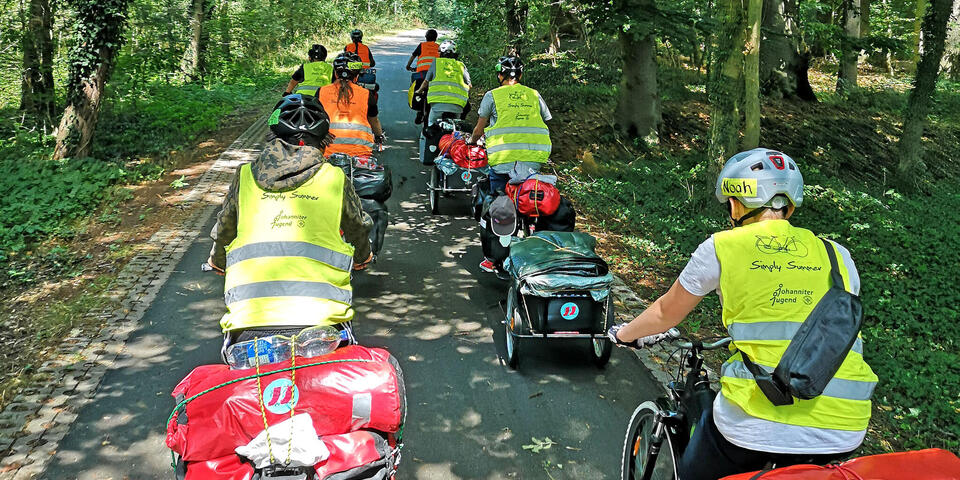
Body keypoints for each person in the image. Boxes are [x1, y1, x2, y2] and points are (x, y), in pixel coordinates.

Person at [606, 149, 878, 480]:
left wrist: (624, 334)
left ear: (736, 205)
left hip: (756, 421)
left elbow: (665, 312)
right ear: (789, 206)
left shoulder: (723, 247)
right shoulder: (838, 255)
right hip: (845, 424)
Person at [207, 94, 374, 356]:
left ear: (273, 136)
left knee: (246, 381)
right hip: (323, 325)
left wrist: (218, 261)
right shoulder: (335, 178)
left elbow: (224, 229)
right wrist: (363, 256)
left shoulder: (245, 177)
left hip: (249, 323)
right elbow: (357, 227)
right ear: (324, 140)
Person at [468, 55, 552, 273]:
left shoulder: (492, 96)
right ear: (521, 75)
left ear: (500, 75)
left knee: (498, 202)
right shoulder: (534, 95)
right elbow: (545, 119)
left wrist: (472, 142)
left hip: (503, 162)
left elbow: (479, 128)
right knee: (533, 199)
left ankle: (494, 256)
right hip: (533, 162)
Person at [318, 52, 385, 158]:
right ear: (357, 76)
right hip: (360, 151)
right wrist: (378, 136)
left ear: (336, 74)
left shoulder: (321, 92)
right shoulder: (366, 94)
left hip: (327, 151)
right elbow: (374, 121)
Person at [415, 40, 471, 125]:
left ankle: (426, 132)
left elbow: (426, 82)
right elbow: (469, 85)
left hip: (437, 105)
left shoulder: (436, 63)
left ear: (441, 53)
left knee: (431, 123)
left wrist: (418, 92)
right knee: (457, 126)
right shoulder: (461, 65)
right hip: (458, 105)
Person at [405, 29, 440, 124]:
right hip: (435, 75)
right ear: (436, 38)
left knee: (415, 87)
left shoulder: (422, 45)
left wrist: (408, 66)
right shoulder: (439, 47)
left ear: (426, 37)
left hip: (422, 74)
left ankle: (417, 106)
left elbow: (413, 56)